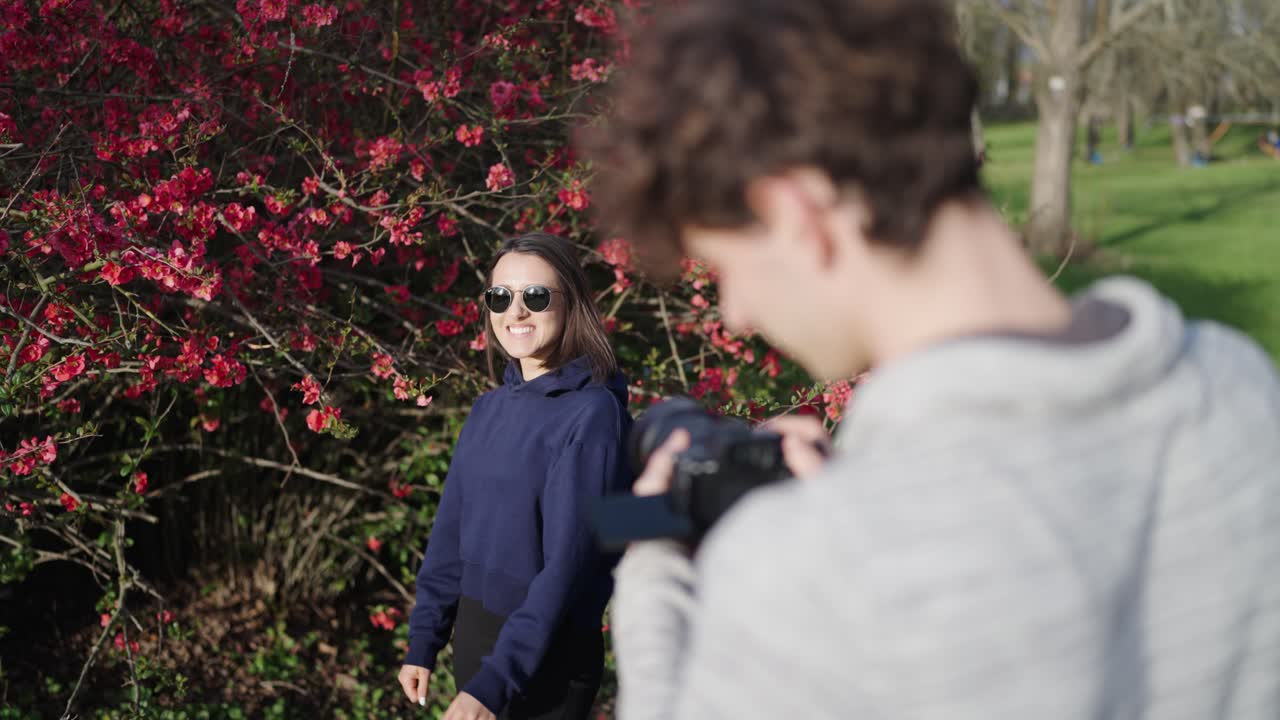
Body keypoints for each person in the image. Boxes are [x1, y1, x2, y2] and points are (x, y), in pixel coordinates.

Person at [582, 1, 1280, 718]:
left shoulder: (812, 565)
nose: (737, 314)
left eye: (726, 266)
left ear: (798, 215)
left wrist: (658, 562)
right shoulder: (1237, 386)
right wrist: (854, 489)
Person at [397, 232, 633, 720]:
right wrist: (425, 638)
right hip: (478, 641)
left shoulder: (592, 415)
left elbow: (569, 568)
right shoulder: (488, 408)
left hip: (547, 658)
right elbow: (451, 533)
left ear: (573, 306)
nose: (515, 312)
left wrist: (496, 682)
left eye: (536, 296)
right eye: (500, 297)